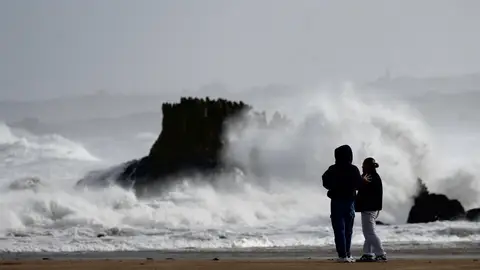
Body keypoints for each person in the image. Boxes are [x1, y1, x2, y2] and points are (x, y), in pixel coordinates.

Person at [322, 145, 365, 263]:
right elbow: (359, 185)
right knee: (348, 229)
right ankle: (347, 253)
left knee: (339, 229)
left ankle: (342, 255)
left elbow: (325, 181)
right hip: (349, 202)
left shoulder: (332, 169)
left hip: (336, 202)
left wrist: (333, 189)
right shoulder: (353, 169)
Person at [355, 157, 387, 262]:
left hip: (368, 208)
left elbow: (357, 184)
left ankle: (380, 253)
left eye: (364, 165)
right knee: (369, 232)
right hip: (373, 208)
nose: (362, 167)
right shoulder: (374, 176)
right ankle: (368, 253)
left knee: (369, 233)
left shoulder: (369, 177)